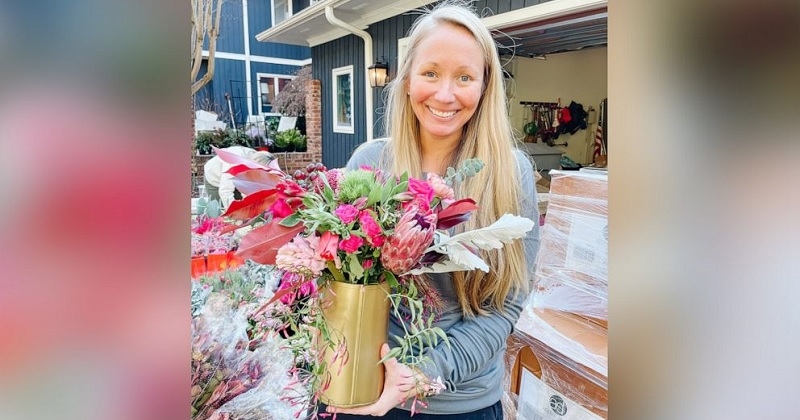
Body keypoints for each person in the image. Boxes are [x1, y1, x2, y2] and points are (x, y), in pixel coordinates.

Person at [331, 2, 540, 419]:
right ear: (407, 80)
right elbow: (334, 288)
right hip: (361, 391)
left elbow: (506, 306)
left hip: (461, 404)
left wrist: (416, 373)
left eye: (464, 77)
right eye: (430, 73)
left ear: (484, 87)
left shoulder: (508, 174)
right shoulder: (369, 165)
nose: (445, 95)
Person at [203, 145, 276, 209]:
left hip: (236, 179)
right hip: (214, 177)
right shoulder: (234, 162)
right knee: (218, 211)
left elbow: (249, 191)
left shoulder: (258, 158)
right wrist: (234, 213)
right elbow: (225, 191)